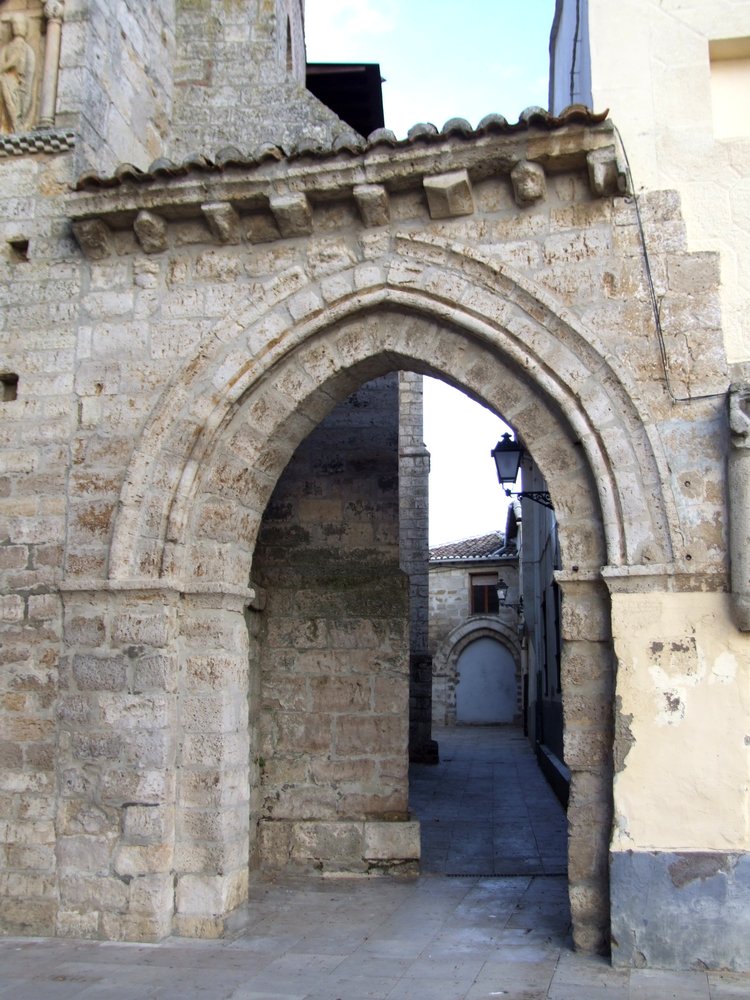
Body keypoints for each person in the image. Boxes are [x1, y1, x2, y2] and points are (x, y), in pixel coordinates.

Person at [0, 14, 35, 133]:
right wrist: (9, 64)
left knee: (15, 103)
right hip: (7, 80)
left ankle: (17, 125)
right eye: (15, 24)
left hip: (20, 84)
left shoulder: (27, 49)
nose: (18, 27)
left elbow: (29, 71)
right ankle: (9, 125)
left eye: (21, 24)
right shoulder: (6, 48)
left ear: (26, 28)